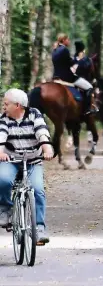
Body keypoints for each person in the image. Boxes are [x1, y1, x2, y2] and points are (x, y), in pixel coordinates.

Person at [0, 88, 54, 244]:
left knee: (38, 190)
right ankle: (5, 209)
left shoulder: (34, 114)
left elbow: (41, 131)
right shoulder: (3, 118)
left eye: (6, 104)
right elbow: (1, 136)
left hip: (33, 161)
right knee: (3, 180)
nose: (4, 107)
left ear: (17, 105)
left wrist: (47, 148)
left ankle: (39, 228)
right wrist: (1, 152)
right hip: (10, 160)